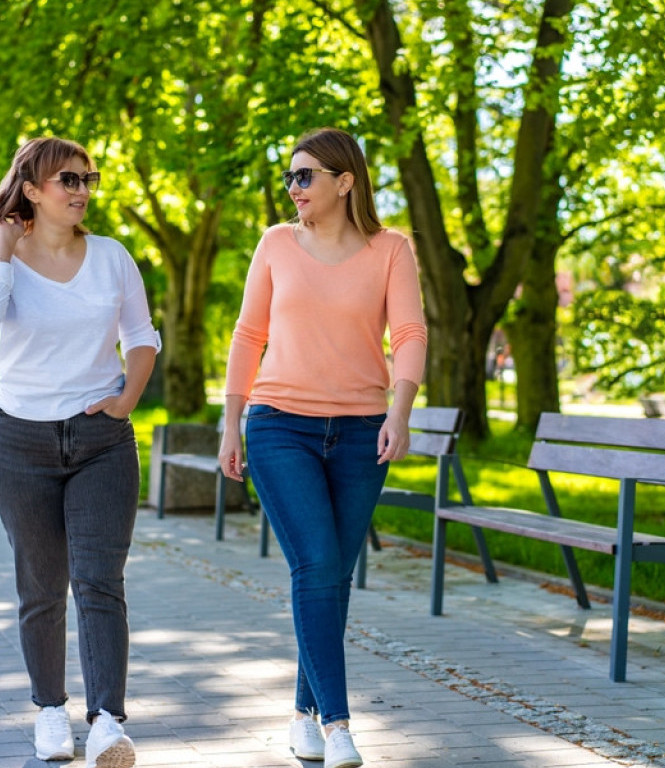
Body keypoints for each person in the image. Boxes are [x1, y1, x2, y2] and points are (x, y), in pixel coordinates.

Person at [218, 127, 427, 768]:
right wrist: (231, 422)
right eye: (289, 177)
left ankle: (304, 713)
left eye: (305, 176)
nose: (294, 188)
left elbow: (410, 332)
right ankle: (338, 725)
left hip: (363, 432)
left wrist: (401, 409)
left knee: (334, 574)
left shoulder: (391, 248)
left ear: (346, 181)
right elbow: (249, 333)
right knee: (315, 565)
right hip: (281, 426)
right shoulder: (277, 244)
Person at [0, 136, 159, 768]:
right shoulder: (3, 261)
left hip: (101, 439)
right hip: (20, 441)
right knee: (41, 586)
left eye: (86, 179)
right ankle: (50, 711)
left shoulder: (111, 257)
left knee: (100, 581)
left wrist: (127, 399)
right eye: (67, 180)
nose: (80, 190)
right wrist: (2, 241)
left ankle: (106, 721)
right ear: (33, 190)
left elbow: (142, 337)